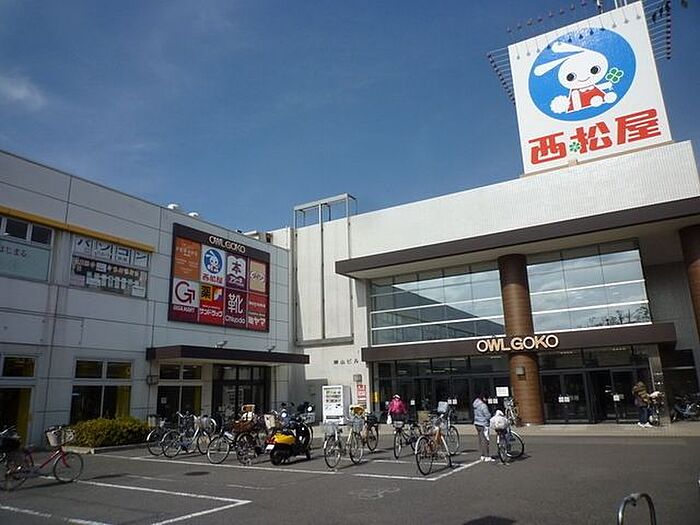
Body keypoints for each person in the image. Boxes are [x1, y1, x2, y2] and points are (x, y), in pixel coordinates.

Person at [473, 393, 494, 462]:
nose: (487, 400)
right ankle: (487, 456)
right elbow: (487, 416)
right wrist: (491, 416)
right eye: (486, 398)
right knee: (485, 440)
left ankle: (482, 455)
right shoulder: (483, 405)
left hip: (477, 423)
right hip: (483, 424)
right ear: (483, 398)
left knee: (481, 440)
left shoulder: (475, 404)